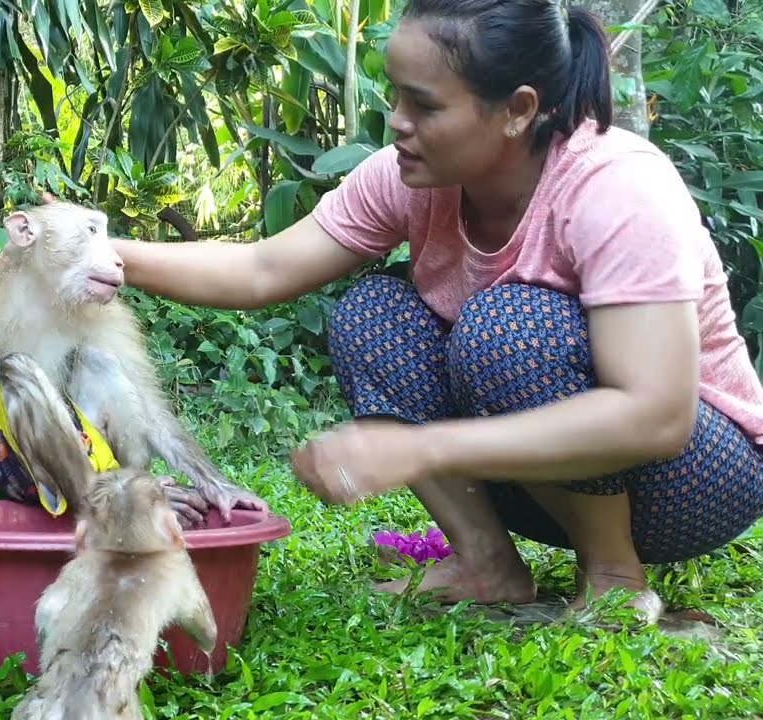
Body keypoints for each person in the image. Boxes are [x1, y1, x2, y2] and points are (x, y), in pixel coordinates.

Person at [110, 0, 763, 620]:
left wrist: (420, 448)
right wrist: (96, 251)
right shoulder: (408, 175)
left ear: (518, 109)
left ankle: (614, 578)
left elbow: (657, 416)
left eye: (422, 104)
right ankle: (487, 564)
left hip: (694, 483)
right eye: (395, 93)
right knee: (372, 312)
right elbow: (263, 268)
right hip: (543, 476)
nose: (396, 120)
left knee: (506, 326)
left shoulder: (615, 186)